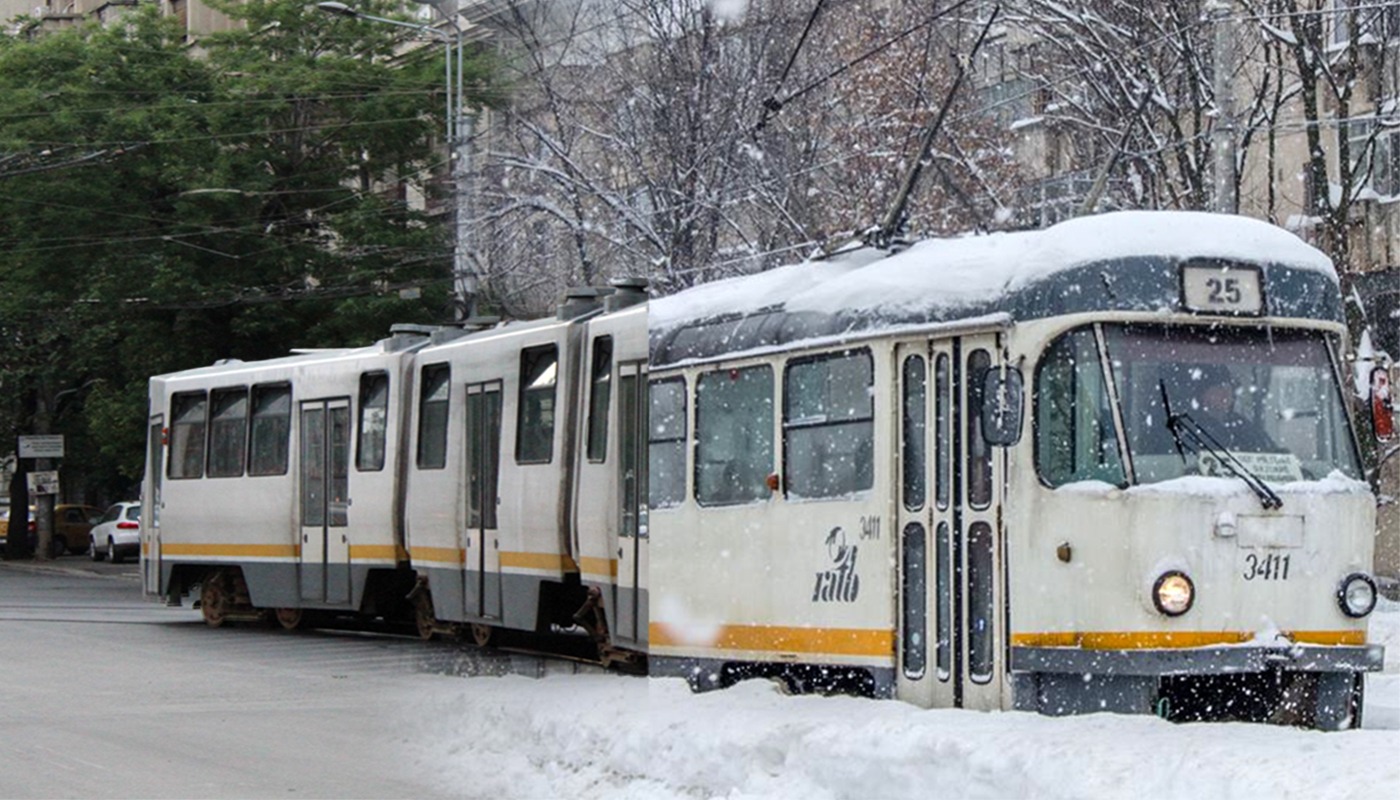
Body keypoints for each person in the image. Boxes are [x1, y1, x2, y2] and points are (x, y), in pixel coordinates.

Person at [1189, 364, 1277, 452]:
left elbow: (1266, 450)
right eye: (1219, 388)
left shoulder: (1242, 426)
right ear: (1204, 395)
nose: (1226, 393)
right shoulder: (1191, 425)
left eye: (1229, 387)